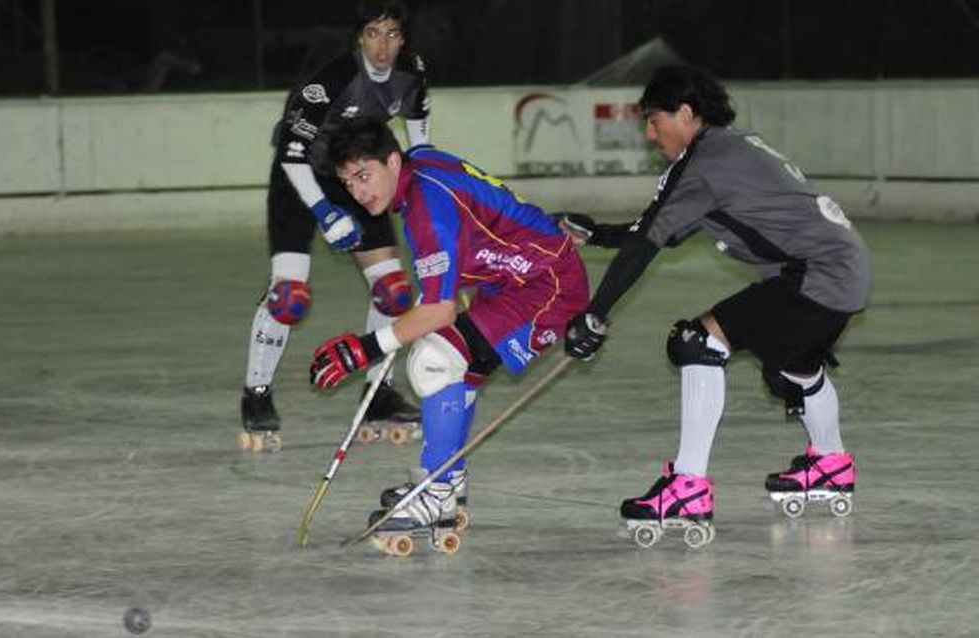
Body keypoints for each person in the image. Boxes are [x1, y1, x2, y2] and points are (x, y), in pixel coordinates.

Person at [564, 65, 870, 542]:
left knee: (696, 342)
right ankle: (831, 464)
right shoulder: (729, 148)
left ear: (686, 114)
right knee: (793, 367)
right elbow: (651, 232)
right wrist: (597, 234)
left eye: (653, 119)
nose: (649, 133)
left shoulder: (703, 162)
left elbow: (645, 244)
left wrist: (594, 314)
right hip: (844, 269)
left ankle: (688, 486)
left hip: (817, 274)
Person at [310, 118, 589, 540]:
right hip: (511, 280)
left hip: (546, 286)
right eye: (349, 183)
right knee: (459, 367)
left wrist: (363, 350)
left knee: (435, 361)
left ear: (391, 160)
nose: (359, 192)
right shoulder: (417, 166)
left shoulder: (425, 207)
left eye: (364, 175)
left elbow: (439, 311)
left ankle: (435, 493)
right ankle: (448, 480)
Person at [240, 1, 427, 451]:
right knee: (289, 298)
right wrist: (324, 212)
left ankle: (377, 391)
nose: (383, 46)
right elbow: (290, 155)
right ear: (358, 38)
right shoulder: (328, 84)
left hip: (358, 175)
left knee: (394, 290)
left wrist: (424, 202)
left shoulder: (413, 74)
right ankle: (257, 393)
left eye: (392, 34)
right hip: (300, 177)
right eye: (373, 34)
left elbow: (420, 145)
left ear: (403, 38)